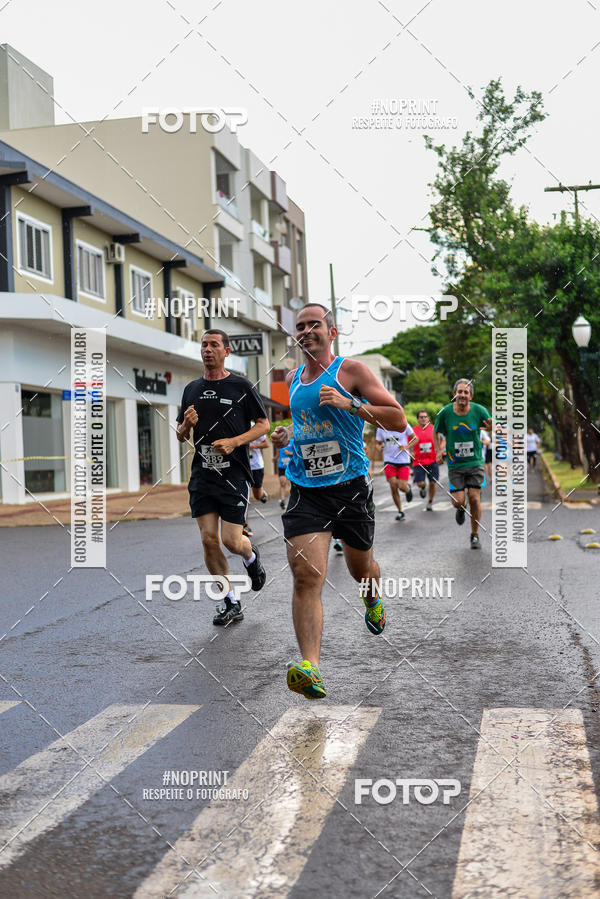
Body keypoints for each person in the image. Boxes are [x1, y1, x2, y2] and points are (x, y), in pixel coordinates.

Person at [271, 303, 407, 699]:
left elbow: (397, 420)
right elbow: (307, 426)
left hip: (350, 487)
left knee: (360, 569)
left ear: (333, 332)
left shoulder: (352, 372)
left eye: (315, 325)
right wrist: (287, 436)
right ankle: (311, 667)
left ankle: (373, 599)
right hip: (306, 489)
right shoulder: (295, 378)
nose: (306, 331)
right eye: (300, 326)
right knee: (306, 575)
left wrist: (351, 403)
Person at [176, 329, 268, 625]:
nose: (208, 349)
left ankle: (250, 556)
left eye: (214, 345)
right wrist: (185, 427)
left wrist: (235, 442)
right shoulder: (191, 388)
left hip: (234, 475)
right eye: (204, 344)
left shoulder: (240, 385)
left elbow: (263, 424)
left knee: (231, 541)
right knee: (208, 540)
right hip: (203, 474)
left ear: (226, 351)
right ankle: (230, 601)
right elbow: (180, 435)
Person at [434, 379, 492, 550]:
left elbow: (491, 425)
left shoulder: (479, 410)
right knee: (458, 502)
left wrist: (491, 427)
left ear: (471, 396)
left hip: (475, 462)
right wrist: (438, 451)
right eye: (460, 392)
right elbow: (435, 430)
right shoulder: (445, 412)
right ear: (454, 395)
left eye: (466, 393)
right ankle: (461, 508)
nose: (462, 395)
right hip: (455, 465)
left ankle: (474, 535)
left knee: (475, 498)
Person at [375, 424, 418, 521]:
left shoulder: (403, 425)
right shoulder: (381, 427)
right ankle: (400, 511)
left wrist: (406, 447)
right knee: (393, 486)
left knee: (402, 486)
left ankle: (407, 489)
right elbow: (378, 443)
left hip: (403, 461)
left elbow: (415, 438)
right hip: (389, 460)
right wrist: (379, 447)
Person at [412, 409, 440, 511]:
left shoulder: (433, 429)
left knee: (433, 482)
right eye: (421, 417)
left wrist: (439, 451)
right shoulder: (413, 430)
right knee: (420, 483)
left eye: (425, 417)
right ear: (417, 419)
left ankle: (430, 502)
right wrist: (410, 451)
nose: (423, 419)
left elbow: (441, 440)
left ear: (428, 418)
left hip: (432, 460)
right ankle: (423, 488)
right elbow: (408, 442)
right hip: (418, 462)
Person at [243, 432, 269, 536]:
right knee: (245, 496)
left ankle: (262, 493)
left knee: (257, 495)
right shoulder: (238, 425)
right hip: (244, 467)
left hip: (257, 466)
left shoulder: (255, 426)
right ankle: (245, 525)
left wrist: (253, 446)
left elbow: (266, 444)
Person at [276, 435, 294, 509]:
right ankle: (282, 500)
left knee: (293, 484)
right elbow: (278, 454)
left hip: (291, 466)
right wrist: (275, 458)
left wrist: (289, 453)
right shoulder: (280, 443)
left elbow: (298, 453)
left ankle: (293, 499)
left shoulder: (293, 442)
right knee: (283, 483)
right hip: (282, 467)